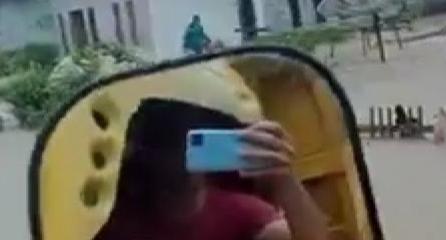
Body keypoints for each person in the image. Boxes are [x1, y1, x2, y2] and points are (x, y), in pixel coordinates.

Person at [95, 98, 330, 240]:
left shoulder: (244, 213)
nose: (181, 155)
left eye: (194, 141)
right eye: (169, 140)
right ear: (143, 151)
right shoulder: (117, 223)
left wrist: (284, 181)